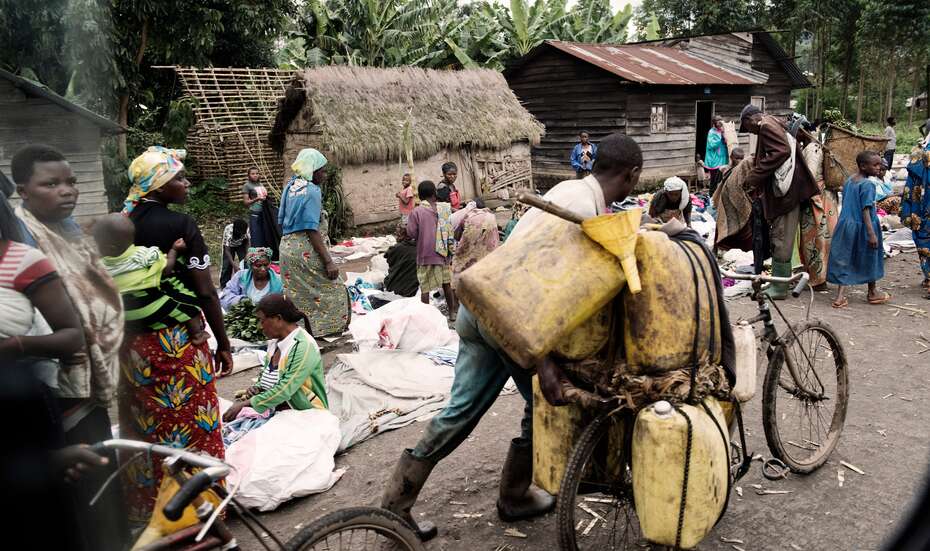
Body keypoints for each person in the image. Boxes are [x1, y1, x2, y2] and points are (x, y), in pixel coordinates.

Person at [380, 133, 645, 541]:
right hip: (507, 317)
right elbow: (532, 286)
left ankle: (396, 503)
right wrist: (542, 361)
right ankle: (514, 495)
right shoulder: (578, 209)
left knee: (462, 410)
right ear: (631, 176)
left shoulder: (570, 190)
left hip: (478, 307)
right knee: (548, 403)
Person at [10, 144, 129, 549]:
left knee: (103, 480)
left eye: (71, 182)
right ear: (23, 191)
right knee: (83, 496)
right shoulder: (27, 241)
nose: (67, 191)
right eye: (51, 184)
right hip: (58, 388)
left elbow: (94, 295)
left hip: (88, 380)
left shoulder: (70, 232)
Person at [121, 146, 230, 523]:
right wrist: (223, 341)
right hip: (179, 341)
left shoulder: (120, 224)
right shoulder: (180, 226)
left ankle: (152, 513)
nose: (186, 184)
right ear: (158, 187)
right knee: (193, 421)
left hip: (133, 346)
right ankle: (203, 513)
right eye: (179, 179)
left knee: (148, 426)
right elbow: (205, 290)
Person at [740, 104, 819, 298]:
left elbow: (781, 151)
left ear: (750, 120)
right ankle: (777, 281)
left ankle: (780, 287)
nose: (750, 132)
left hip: (787, 193)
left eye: (747, 128)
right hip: (791, 190)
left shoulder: (766, 126)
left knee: (782, 238)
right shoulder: (773, 121)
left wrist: (754, 177)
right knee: (780, 236)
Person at [93, 213, 206, 343]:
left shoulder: (99, 266)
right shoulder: (143, 255)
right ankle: (197, 334)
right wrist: (174, 250)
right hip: (152, 309)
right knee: (190, 303)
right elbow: (166, 269)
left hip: (125, 318)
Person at [278, 148, 350, 337]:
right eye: (322, 171)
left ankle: (300, 332)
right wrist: (328, 261)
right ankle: (326, 329)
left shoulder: (291, 186)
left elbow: (281, 220)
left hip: (286, 248)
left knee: (297, 293)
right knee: (334, 288)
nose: (325, 175)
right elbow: (311, 229)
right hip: (305, 248)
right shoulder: (312, 191)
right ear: (312, 170)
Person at [223, 294, 327, 423]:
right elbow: (267, 377)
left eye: (262, 321)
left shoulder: (303, 346)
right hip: (277, 412)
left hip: (305, 414)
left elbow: (285, 389)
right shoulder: (274, 344)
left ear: (278, 319)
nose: (260, 326)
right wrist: (258, 387)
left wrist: (247, 403)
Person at [827, 151, 890, 307]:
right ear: (863, 166)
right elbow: (866, 210)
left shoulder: (850, 181)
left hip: (845, 225)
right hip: (864, 226)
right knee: (870, 257)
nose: (879, 167)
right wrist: (871, 233)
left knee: (845, 259)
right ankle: (872, 292)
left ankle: (840, 297)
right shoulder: (868, 185)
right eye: (875, 165)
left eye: (879, 164)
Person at [407, 180, 457, 320]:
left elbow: (411, 233)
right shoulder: (444, 209)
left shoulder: (416, 212)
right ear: (435, 193)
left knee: (425, 287)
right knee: (446, 284)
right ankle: (452, 312)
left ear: (420, 196)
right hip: (443, 254)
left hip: (426, 254)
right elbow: (450, 228)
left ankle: (426, 318)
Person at [899, 141, 930, 295]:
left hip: (920, 206)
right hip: (925, 203)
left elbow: (910, 186)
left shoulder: (918, 153)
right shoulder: (922, 154)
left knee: (923, 238)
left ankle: (929, 277)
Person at [451, 199, 499, 287]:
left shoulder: (468, 216)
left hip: (472, 253)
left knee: (458, 262)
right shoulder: (491, 216)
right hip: (490, 254)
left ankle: (456, 290)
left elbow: (456, 236)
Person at [383, 223, 419, 297]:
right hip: (414, 290)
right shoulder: (421, 247)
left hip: (394, 289)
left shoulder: (396, 248)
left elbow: (389, 259)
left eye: (397, 233)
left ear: (401, 234)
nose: (396, 235)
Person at [221, 218, 250, 287]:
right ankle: (224, 286)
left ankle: (246, 283)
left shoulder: (246, 229)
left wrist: (247, 254)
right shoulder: (229, 231)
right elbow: (227, 250)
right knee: (227, 265)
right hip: (230, 247)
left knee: (246, 263)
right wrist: (234, 265)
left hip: (241, 245)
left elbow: (247, 242)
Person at [705, 115, 729, 195]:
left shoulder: (722, 130)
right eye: (718, 122)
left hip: (723, 159)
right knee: (714, 180)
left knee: (722, 179)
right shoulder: (712, 132)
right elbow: (712, 145)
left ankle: (720, 196)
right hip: (714, 159)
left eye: (721, 121)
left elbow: (727, 142)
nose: (720, 123)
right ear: (714, 123)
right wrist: (720, 135)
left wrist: (725, 135)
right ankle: (712, 195)